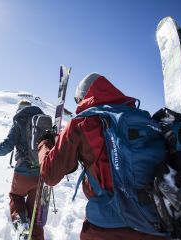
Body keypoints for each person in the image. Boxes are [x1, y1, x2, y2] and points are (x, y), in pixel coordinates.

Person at [37, 73, 168, 240]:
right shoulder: (143, 119)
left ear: (84, 96)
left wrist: (45, 144)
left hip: (105, 228)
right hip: (156, 224)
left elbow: (49, 174)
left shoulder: (81, 123)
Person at [0, 100, 44, 240]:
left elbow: (7, 147)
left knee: (16, 196)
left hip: (23, 172)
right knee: (35, 212)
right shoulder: (42, 123)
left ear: (19, 109)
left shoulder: (19, 122)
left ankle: (21, 223)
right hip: (40, 174)